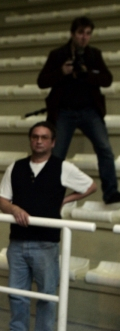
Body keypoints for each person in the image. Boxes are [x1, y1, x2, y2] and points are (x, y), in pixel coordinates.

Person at [0, 121, 96, 331]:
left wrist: (64, 200)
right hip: (17, 241)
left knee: (47, 293)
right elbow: (2, 201)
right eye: (35, 136)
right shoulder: (16, 167)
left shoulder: (63, 167)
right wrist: (14, 209)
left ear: (52, 142)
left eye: (44, 137)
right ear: (31, 140)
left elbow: (90, 186)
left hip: (46, 243)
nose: (39, 140)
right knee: (17, 292)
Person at [37, 16, 120, 205]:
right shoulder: (58, 54)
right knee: (56, 155)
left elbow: (107, 79)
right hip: (64, 112)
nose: (84, 37)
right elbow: (41, 81)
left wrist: (87, 73)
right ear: (73, 33)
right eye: (81, 33)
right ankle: (50, 195)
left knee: (105, 149)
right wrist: (62, 72)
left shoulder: (94, 55)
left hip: (90, 111)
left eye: (88, 34)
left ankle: (111, 192)